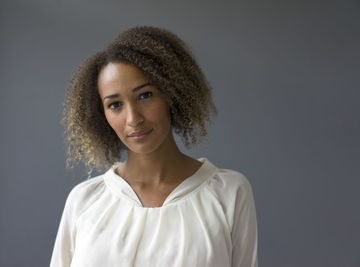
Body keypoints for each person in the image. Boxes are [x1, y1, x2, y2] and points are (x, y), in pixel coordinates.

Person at [50, 26, 258, 267]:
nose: (133, 118)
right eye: (115, 105)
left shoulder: (229, 194)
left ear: (172, 92)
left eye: (145, 95)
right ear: (102, 114)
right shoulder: (84, 201)